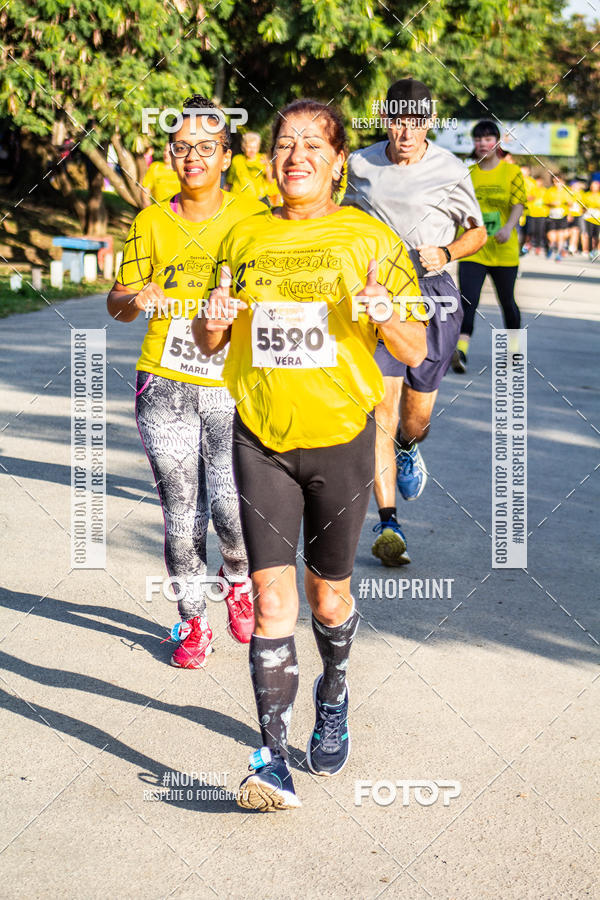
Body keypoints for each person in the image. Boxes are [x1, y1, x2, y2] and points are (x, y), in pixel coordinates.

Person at [193, 98, 427, 810]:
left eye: (312, 144)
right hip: (259, 438)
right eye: (284, 143)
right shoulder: (243, 235)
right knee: (271, 599)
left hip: (342, 445)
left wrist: (387, 314)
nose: (296, 155)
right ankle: (270, 760)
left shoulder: (368, 237)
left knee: (328, 598)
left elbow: (415, 350)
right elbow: (211, 343)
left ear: (337, 162)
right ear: (270, 160)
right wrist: (210, 323)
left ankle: (334, 690)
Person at [107, 96, 265, 668]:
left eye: (205, 147)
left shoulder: (252, 218)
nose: (191, 156)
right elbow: (117, 302)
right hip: (164, 386)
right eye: (181, 147)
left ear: (226, 155)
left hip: (229, 383)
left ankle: (239, 581)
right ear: (169, 155)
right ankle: (194, 622)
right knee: (182, 511)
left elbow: (272, 294)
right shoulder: (150, 220)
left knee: (229, 506)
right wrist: (136, 297)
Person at [342, 78, 486, 566]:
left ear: (431, 120)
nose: (407, 131)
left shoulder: (450, 168)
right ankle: (388, 525)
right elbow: (340, 223)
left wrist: (446, 251)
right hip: (382, 296)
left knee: (415, 417)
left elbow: (478, 232)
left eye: (417, 121)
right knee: (381, 412)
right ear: (386, 118)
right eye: (398, 120)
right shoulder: (360, 165)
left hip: (435, 298)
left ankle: (409, 445)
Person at [453, 120, 525, 373]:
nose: (483, 143)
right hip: (473, 248)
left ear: (497, 141)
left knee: (507, 301)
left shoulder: (512, 173)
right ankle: (461, 350)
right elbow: (458, 208)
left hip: (504, 250)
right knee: (468, 300)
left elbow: (518, 204)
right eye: (478, 139)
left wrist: (508, 227)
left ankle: (515, 347)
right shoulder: (467, 173)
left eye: (488, 138)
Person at [225, 131, 278, 204]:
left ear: (258, 147)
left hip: (256, 201)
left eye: (255, 147)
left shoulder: (263, 159)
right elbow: (229, 181)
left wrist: (267, 167)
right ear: (243, 147)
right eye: (249, 147)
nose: (252, 150)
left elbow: (270, 181)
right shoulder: (237, 160)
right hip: (237, 199)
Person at [544, 175, 571, 260]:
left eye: (558, 181)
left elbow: (571, 203)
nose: (557, 183)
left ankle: (559, 253)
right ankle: (551, 245)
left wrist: (569, 213)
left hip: (562, 215)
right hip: (552, 215)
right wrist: (552, 204)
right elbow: (545, 202)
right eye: (555, 181)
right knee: (551, 234)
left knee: (561, 234)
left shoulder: (567, 191)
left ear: (562, 181)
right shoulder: (550, 191)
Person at [524, 175, 549, 256]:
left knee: (540, 231)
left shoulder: (545, 191)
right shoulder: (532, 190)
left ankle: (538, 246)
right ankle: (528, 244)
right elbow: (526, 197)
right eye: (537, 181)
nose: (538, 183)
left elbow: (548, 201)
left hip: (542, 214)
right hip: (531, 213)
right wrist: (530, 198)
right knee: (530, 230)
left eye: (540, 181)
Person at [582, 179, 600, 260]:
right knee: (589, 235)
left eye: (595, 186)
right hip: (588, 218)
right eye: (592, 186)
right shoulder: (586, 195)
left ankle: (595, 249)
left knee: (596, 235)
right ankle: (589, 250)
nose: (594, 187)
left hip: (598, 218)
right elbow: (582, 206)